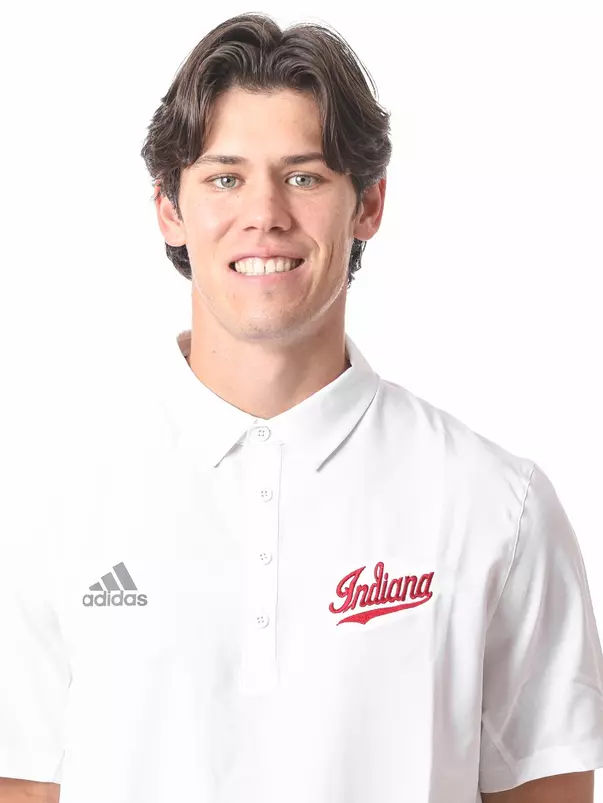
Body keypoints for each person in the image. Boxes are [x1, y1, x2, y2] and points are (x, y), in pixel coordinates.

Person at [1, 12, 602, 803]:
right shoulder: (54, 503)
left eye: (304, 175)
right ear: (168, 209)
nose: (265, 215)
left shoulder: (496, 505)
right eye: (224, 176)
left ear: (369, 205)